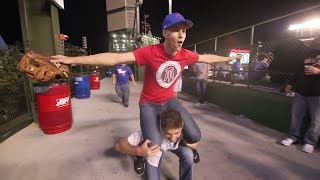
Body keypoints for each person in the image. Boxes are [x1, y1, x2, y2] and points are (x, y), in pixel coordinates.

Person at [51, 12, 241, 178]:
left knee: (195, 135)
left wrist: (228, 58)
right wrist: (73, 59)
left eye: (184, 30)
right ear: (165, 33)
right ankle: (139, 155)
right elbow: (115, 58)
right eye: (176, 30)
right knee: (154, 147)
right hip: (149, 104)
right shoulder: (150, 52)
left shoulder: (185, 55)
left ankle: (181, 146)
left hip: (169, 101)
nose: (181, 34)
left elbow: (207, 58)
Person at [116, 110, 199, 179]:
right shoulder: (153, 131)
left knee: (188, 154)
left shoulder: (186, 129)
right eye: (168, 134)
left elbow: (195, 140)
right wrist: (139, 151)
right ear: (161, 128)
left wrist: (193, 146)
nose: (173, 138)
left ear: (182, 126)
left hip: (175, 146)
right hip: (155, 149)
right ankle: (140, 158)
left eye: (177, 133)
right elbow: (119, 146)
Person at [281, 35, 320, 153]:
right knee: (296, 116)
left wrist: (319, 71)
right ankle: (293, 137)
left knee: (317, 120)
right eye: (317, 38)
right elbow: (297, 70)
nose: (317, 41)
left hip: (318, 93)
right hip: (301, 91)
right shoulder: (306, 53)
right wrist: (290, 84)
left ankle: (310, 142)